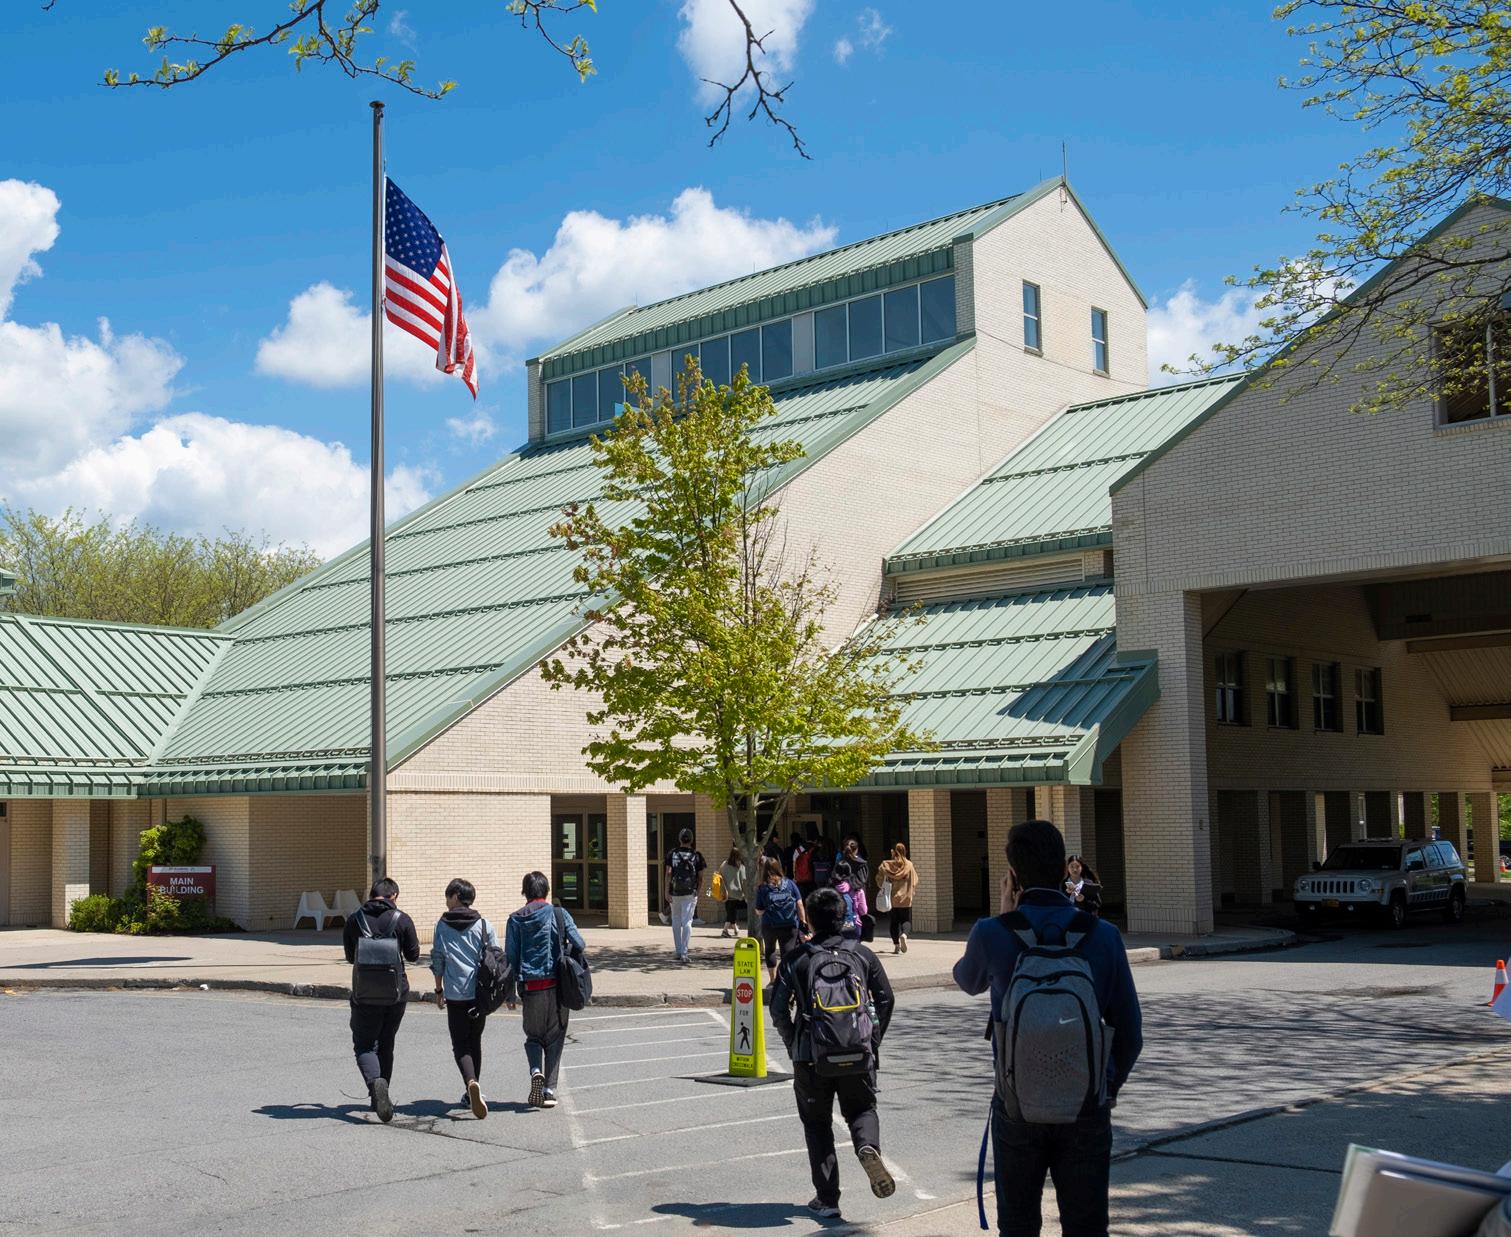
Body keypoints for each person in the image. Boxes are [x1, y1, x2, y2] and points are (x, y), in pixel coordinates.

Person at [953, 820, 1143, 1237]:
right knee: (1086, 1226)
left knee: (1018, 1226)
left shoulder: (991, 933)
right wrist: (1105, 1085)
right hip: (1086, 1104)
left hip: (1017, 1104)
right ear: (1064, 869)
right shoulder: (1104, 936)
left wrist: (1005, 916)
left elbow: (967, 980)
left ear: (1013, 874)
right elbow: (1130, 1032)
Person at [770, 887, 897, 1220]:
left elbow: (778, 1008)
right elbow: (886, 999)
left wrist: (794, 1043)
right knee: (862, 1109)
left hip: (811, 1056)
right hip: (858, 1050)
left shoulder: (797, 958)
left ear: (810, 920)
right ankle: (867, 1146)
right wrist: (872, 1039)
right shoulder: (863, 955)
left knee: (817, 1124)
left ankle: (828, 1199)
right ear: (844, 917)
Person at [341, 877, 421, 1123]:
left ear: (371, 894)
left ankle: (375, 1084)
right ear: (393, 896)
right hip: (396, 992)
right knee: (386, 1043)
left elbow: (350, 957)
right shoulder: (402, 919)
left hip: (365, 992)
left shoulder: (354, 919)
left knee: (365, 1044)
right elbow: (413, 955)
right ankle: (382, 1089)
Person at [504, 871, 586, 1109]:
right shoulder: (559, 914)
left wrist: (509, 993)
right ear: (547, 891)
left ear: (525, 892)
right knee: (555, 1038)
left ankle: (535, 1070)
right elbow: (580, 943)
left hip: (530, 988)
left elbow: (511, 959)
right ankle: (549, 1090)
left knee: (533, 1037)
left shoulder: (515, 919)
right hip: (557, 987)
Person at [429, 877, 499, 1120]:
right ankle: (472, 1090)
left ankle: (470, 1083)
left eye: (448, 896)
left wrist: (438, 989)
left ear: (456, 897)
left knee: (460, 1043)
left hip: (455, 993)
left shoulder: (441, 925)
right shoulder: (484, 925)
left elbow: (438, 959)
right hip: (479, 994)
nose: (446, 901)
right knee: (474, 1039)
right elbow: (496, 958)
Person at [754, 855, 809, 982]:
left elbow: (759, 911)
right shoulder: (790, 884)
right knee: (788, 952)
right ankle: (786, 979)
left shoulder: (763, 888)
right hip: (790, 925)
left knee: (770, 950)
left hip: (769, 925)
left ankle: (773, 980)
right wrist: (803, 922)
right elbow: (799, 904)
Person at [664, 828, 706, 964]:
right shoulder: (697, 856)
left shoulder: (672, 853)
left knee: (676, 920)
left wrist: (666, 891)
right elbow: (701, 877)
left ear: (680, 839)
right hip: (690, 893)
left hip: (675, 892)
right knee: (687, 921)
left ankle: (678, 951)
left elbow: (668, 873)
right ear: (692, 840)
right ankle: (684, 952)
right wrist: (697, 891)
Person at [875, 843, 918, 954]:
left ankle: (896, 946)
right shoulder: (909, 865)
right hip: (905, 898)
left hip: (891, 898)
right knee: (905, 920)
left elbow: (879, 880)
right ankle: (904, 935)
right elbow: (915, 880)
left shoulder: (886, 865)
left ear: (893, 852)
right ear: (905, 851)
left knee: (894, 922)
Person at [717, 847, 749, 939]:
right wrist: (746, 895)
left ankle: (735, 929)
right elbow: (743, 881)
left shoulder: (724, 864)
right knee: (731, 912)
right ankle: (724, 930)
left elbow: (719, 875)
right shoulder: (740, 865)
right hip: (736, 892)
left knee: (730, 911)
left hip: (725, 892)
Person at [829, 860, 864, 939]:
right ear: (849, 871)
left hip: (836, 927)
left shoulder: (831, 888)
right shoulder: (857, 888)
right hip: (854, 924)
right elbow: (863, 911)